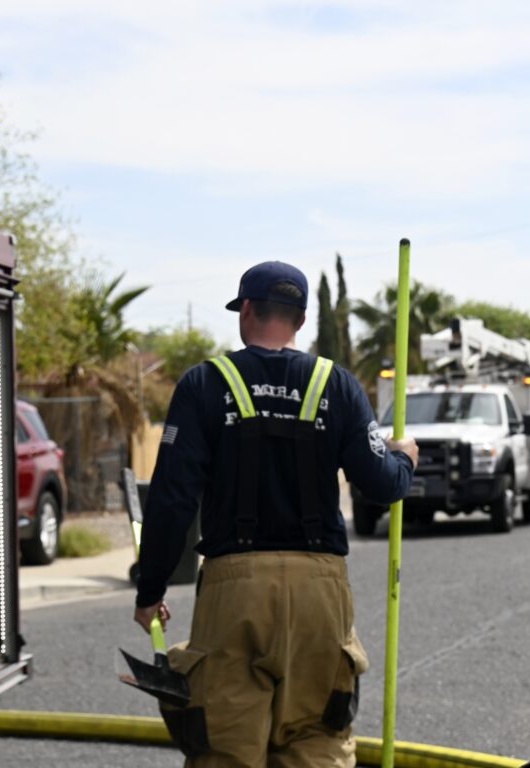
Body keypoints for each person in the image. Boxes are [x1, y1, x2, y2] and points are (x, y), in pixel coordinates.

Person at [133, 261, 418, 767]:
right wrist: (404, 458)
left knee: (225, 750)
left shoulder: (205, 384)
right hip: (320, 591)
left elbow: (172, 500)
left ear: (245, 310)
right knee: (317, 745)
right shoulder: (337, 385)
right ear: (302, 320)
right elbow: (382, 485)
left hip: (234, 591)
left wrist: (150, 590)